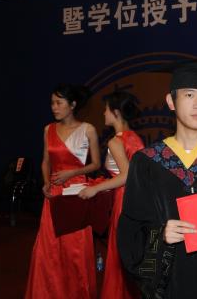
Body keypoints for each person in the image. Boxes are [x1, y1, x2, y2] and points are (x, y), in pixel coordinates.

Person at [117, 60, 197, 298]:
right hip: (170, 285)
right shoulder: (148, 161)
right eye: (189, 95)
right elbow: (130, 229)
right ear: (171, 101)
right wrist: (160, 235)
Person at [25, 83, 101, 299]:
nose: (54, 107)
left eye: (59, 103)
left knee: (75, 249)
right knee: (50, 249)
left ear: (73, 105)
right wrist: (45, 182)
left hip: (77, 194)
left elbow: (96, 164)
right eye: (52, 103)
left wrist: (72, 172)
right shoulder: (48, 129)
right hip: (54, 194)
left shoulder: (88, 129)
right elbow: (45, 161)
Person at [78, 91, 145, 299]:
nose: (103, 113)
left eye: (106, 109)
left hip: (124, 201)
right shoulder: (135, 137)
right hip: (137, 199)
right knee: (132, 254)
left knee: (119, 256)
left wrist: (95, 188)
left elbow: (125, 175)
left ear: (115, 112)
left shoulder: (116, 142)